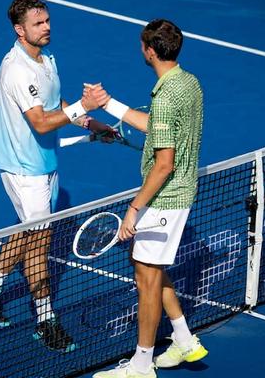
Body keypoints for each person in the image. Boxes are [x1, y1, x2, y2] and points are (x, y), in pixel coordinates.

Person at [0, 0, 115, 353]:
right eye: (38, 24)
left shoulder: (46, 59)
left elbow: (57, 106)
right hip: (23, 169)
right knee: (40, 242)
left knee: (30, 232)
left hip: (46, 164)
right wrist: (85, 105)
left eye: (47, 21)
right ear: (20, 30)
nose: (47, 28)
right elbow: (42, 123)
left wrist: (93, 123)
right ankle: (47, 319)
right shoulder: (16, 70)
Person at [87, 19, 206, 377]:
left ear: (150, 51)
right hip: (179, 193)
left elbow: (164, 164)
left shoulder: (167, 96)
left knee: (147, 280)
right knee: (148, 272)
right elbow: (154, 124)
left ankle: (141, 365)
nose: (141, 51)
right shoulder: (188, 83)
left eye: (142, 46)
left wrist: (133, 209)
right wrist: (107, 104)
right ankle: (185, 340)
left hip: (165, 199)